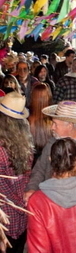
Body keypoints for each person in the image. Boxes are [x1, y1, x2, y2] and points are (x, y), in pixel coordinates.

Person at [0, 92, 33, 252]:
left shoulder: (0, 147)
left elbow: (2, 186)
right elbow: (27, 176)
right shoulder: (26, 142)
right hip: (22, 208)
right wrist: (21, 200)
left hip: (4, 212)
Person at [28, 83, 53, 163]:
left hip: (31, 158)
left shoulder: (27, 120)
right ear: (47, 97)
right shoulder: (53, 120)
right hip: (50, 158)